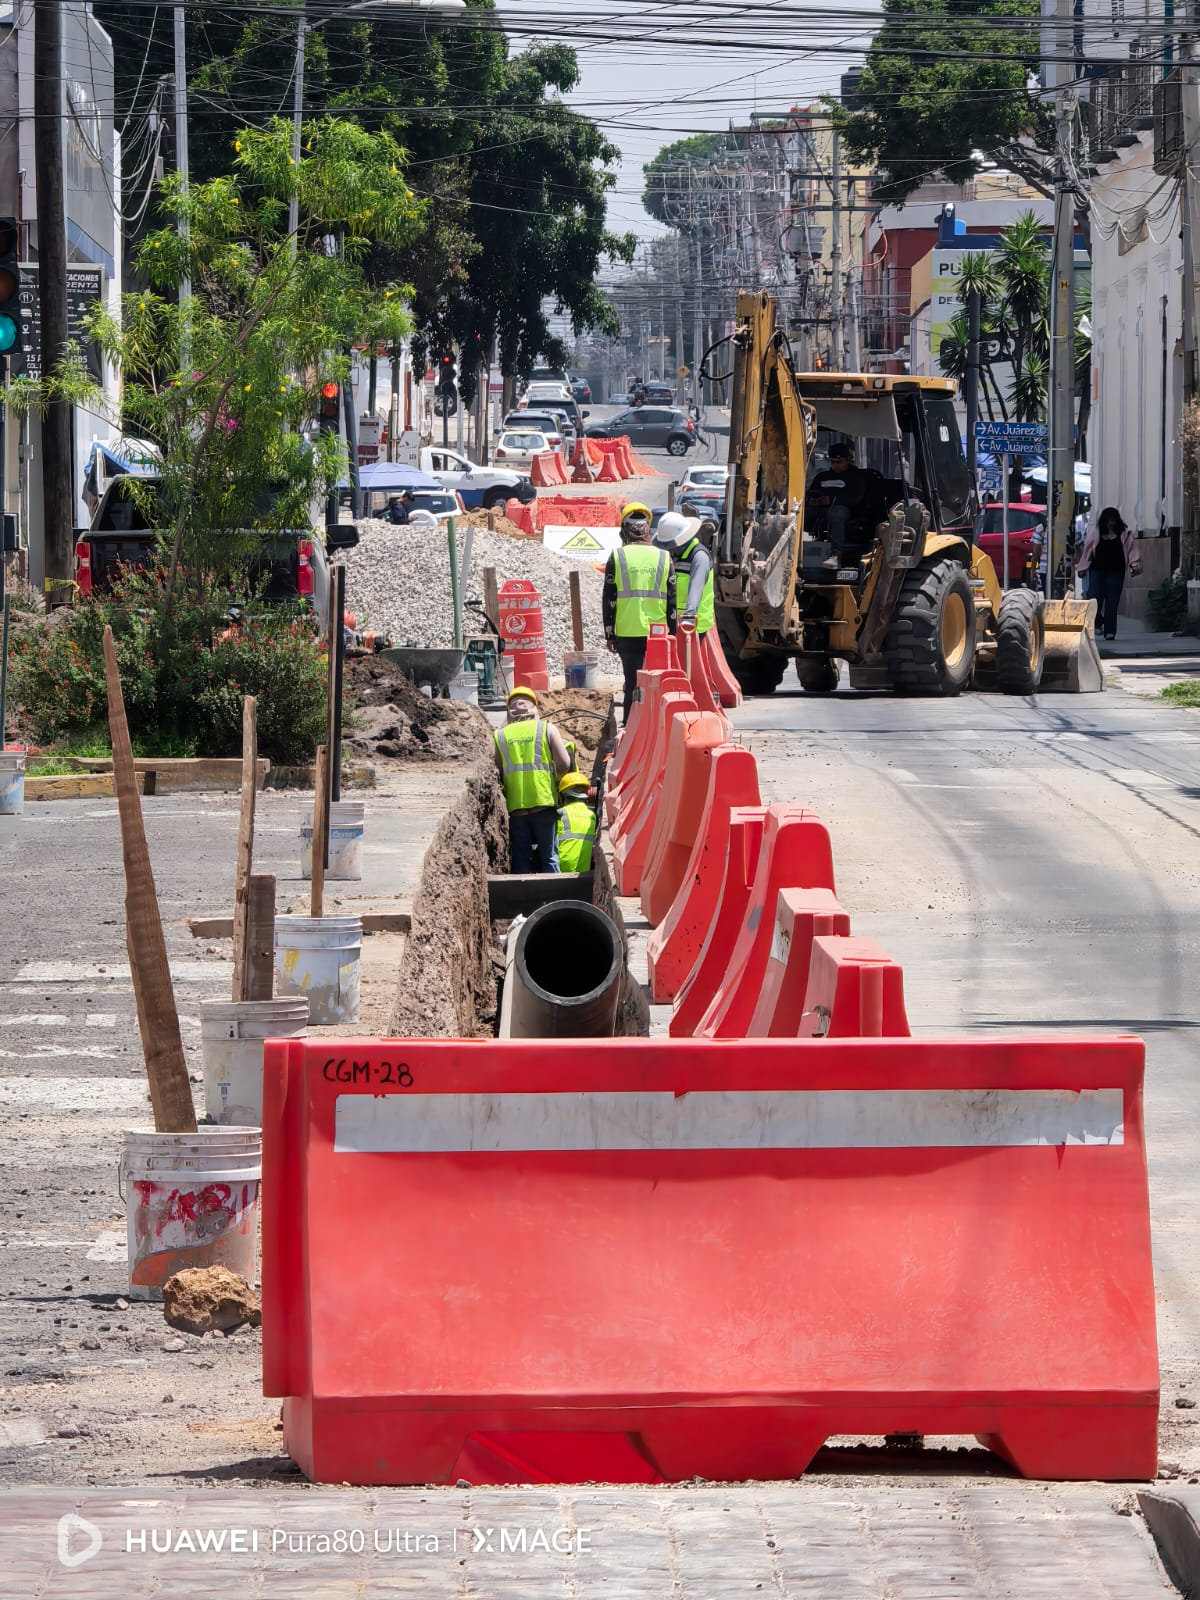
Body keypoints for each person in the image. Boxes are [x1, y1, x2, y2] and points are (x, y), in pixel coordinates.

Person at [603, 502, 676, 724]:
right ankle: (656, 725)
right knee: (658, 683)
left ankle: (631, 726)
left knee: (632, 683)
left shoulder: (617, 557)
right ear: (648, 531)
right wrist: (672, 634)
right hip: (658, 634)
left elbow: (609, 600)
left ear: (624, 531)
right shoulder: (664, 557)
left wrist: (610, 633)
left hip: (628, 631)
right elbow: (672, 601)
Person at [493, 687, 571, 873]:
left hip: (516, 806)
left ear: (509, 711)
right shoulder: (546, 728)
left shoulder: (500, 736)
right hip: (543, 802)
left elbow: (497, 773)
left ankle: (520, 898)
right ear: (534, 707)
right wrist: (555, 780)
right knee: (549, 856)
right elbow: (565, 763)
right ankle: (554, 897)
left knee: (520, 857)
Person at [1076, 505, 1141, 641]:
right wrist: (1082, 568)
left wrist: (1134, 564)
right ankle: (1098, 623)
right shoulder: (1096, 533)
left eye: (1113, 520)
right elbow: (1087, 551)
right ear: (1104, 521)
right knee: (1094, 599)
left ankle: (1110, 631)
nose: (1111, 523)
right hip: (1097, 570)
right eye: (1108, 520)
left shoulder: (1125, 534)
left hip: (1116, 572)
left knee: (1112, 601)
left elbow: (1132, 551)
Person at [654, 511, 714, 636]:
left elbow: (695, 590)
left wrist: (689, 616)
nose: (667, 549)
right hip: (672, 621)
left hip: (692, 626)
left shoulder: (699, 557)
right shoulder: (672, 554)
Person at [807, 440, 867, 561]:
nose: (836, 465)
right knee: (803, 513)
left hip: (845, 510)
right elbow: (810, 493)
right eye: (833, 462)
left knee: (837, 513)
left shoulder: (856, 477)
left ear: (848, 459)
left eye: (839, 462)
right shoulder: (822, 477)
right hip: (820, 509)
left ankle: (835, 554)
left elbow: (857, 498)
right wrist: (812, 500)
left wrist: (833, 500)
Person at [555, 770, 597, 873]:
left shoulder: (560, 813)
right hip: (584, 868)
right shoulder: (592, 816)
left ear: (563, 795)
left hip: (561, 868)